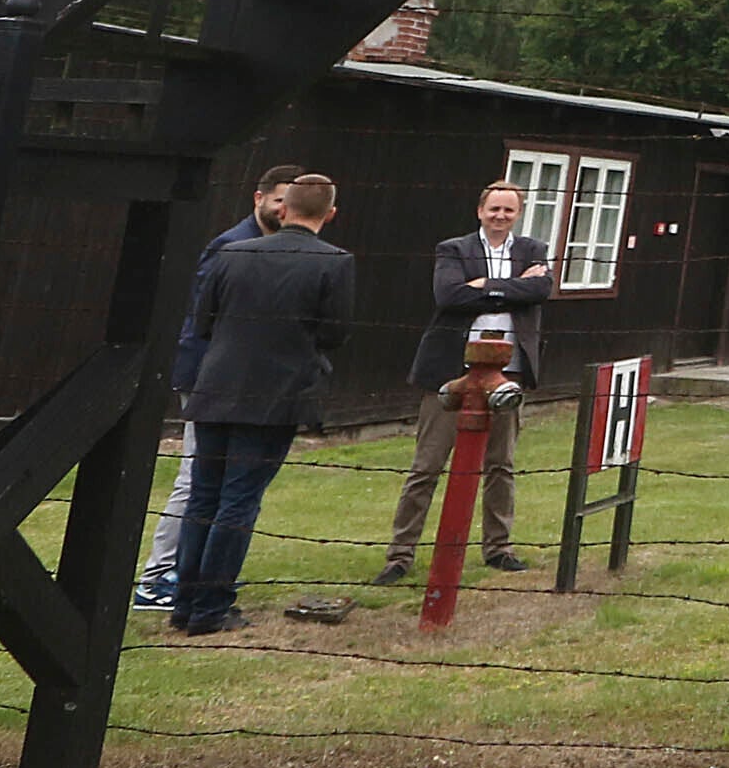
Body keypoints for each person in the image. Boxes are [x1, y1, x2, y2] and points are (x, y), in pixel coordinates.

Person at [170, 171, 354, 635]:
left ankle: (185, 603)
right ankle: (211, 607)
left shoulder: (232, 253)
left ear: (283, 207)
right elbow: (335, 333)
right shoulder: (335, 263)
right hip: (276, 395)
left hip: (215, 386)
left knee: (203, 496)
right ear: (330, 214)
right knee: (238, 500)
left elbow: (204, 321)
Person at [132, 164, 298, 611]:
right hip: (210, 378)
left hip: (245, 384)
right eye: (280, 198)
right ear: (258, 199)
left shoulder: (279, 249)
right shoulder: (229, 245)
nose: (286, 209)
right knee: (195, 479)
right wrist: (202, 379)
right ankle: (157, 577)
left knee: (221, 484)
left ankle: (197, 572)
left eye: (293, 201)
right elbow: (200, 319)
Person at [376, 179, 555, 582]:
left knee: (501, 464)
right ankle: (400, 554)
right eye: (494, 209)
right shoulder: (454, 249)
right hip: (451, 370)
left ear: (518, 214)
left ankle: (498, 547)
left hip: (508, 372)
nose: (500, 216)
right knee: (426, 465)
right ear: (480, 211)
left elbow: (541, 289)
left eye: (509, 210)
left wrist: (487, 286)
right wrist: (514, 288)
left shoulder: (532, 250)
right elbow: (449, 296)